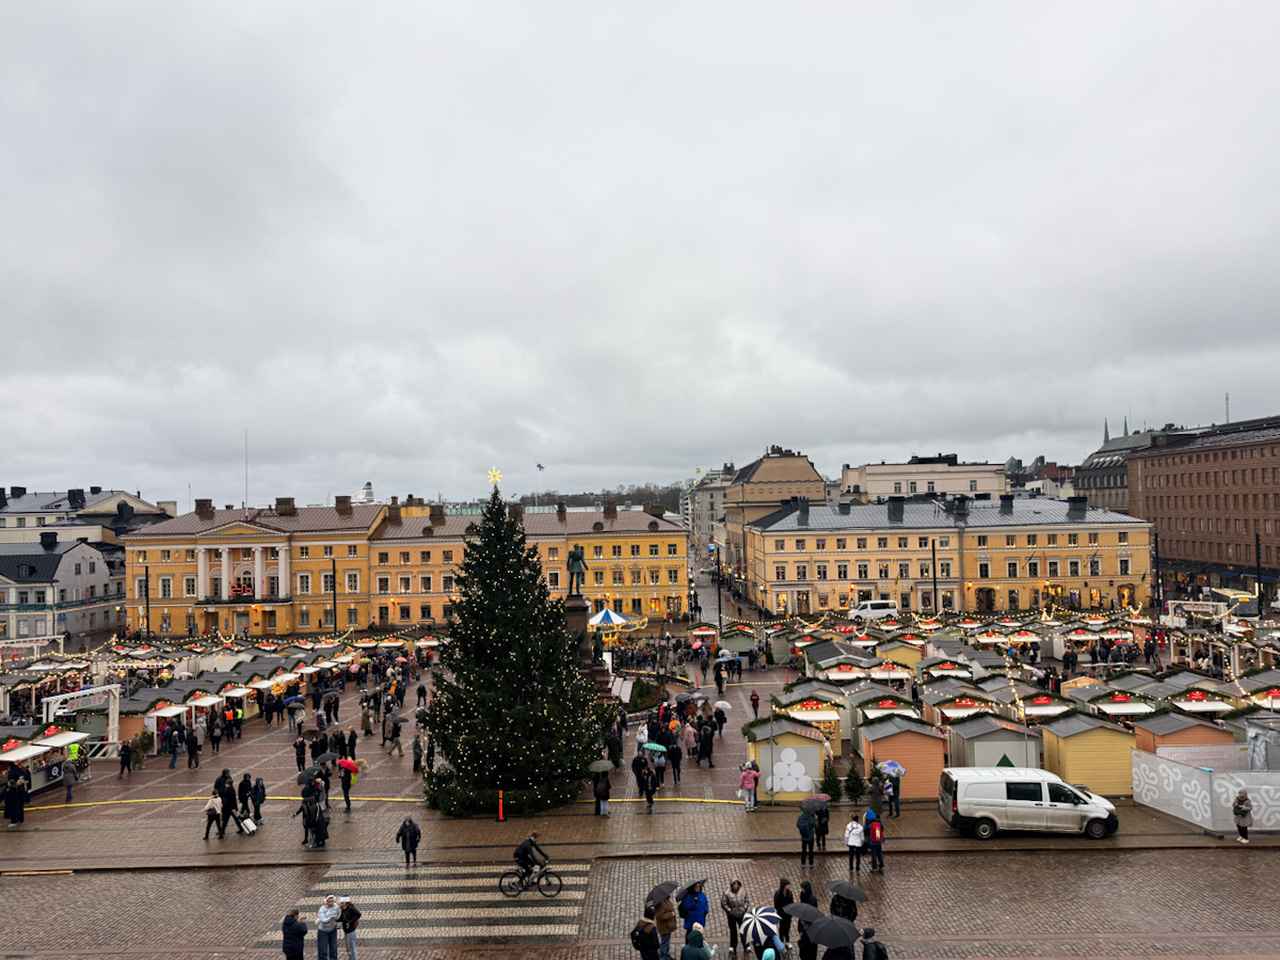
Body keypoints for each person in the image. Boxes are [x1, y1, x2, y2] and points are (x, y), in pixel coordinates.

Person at [720, 879, 749, 959]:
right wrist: (730, 911)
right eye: (734, 884)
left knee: (743, 931)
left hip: (741, 915)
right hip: (731, 916)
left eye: (736, 884)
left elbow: (747, 901)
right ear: (731, 885)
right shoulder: (726, 893)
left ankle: (746, 947)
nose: (735, 886)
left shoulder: (743, 891)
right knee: (733, 932)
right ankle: (733, 949)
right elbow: (723, 903)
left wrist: (744, 909)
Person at [797, 880, 819, 960]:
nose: (801, 890)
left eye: (803, 888)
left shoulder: (812, 900)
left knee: (810, 950)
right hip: (803, 923)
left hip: (810, 925)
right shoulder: (802, 895)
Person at [315, 895, 341, 960]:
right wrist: (331, 918)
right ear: (326, 901)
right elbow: (323, 920)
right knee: (323, 949)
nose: (331, 903)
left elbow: (339, 915)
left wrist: (337, 922)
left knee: (333, 948)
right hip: (323, 931)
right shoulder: (322, 909)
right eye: (329, 901)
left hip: (333, 930)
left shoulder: (336, 907)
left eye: (332, 901)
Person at [655, 894, 678, 960]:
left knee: (666, 942)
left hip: (668, 926)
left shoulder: (666, 900)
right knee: (664, 942)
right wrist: (671, 914)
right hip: (664, 927)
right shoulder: (660, 903)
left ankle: (666, 955)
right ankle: (663, 957)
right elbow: (660, 916)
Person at [773, 879, 795, 952]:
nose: (789, 886)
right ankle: (781, 942)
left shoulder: (790, 893)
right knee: (782, 929)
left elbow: (792, 902)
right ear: (784, 885)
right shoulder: (778, 894)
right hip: (781, 914)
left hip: (788, 915)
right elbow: (776, 905)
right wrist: (781, 910)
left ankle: (787, 941)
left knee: (787, 927)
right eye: (788, 885)